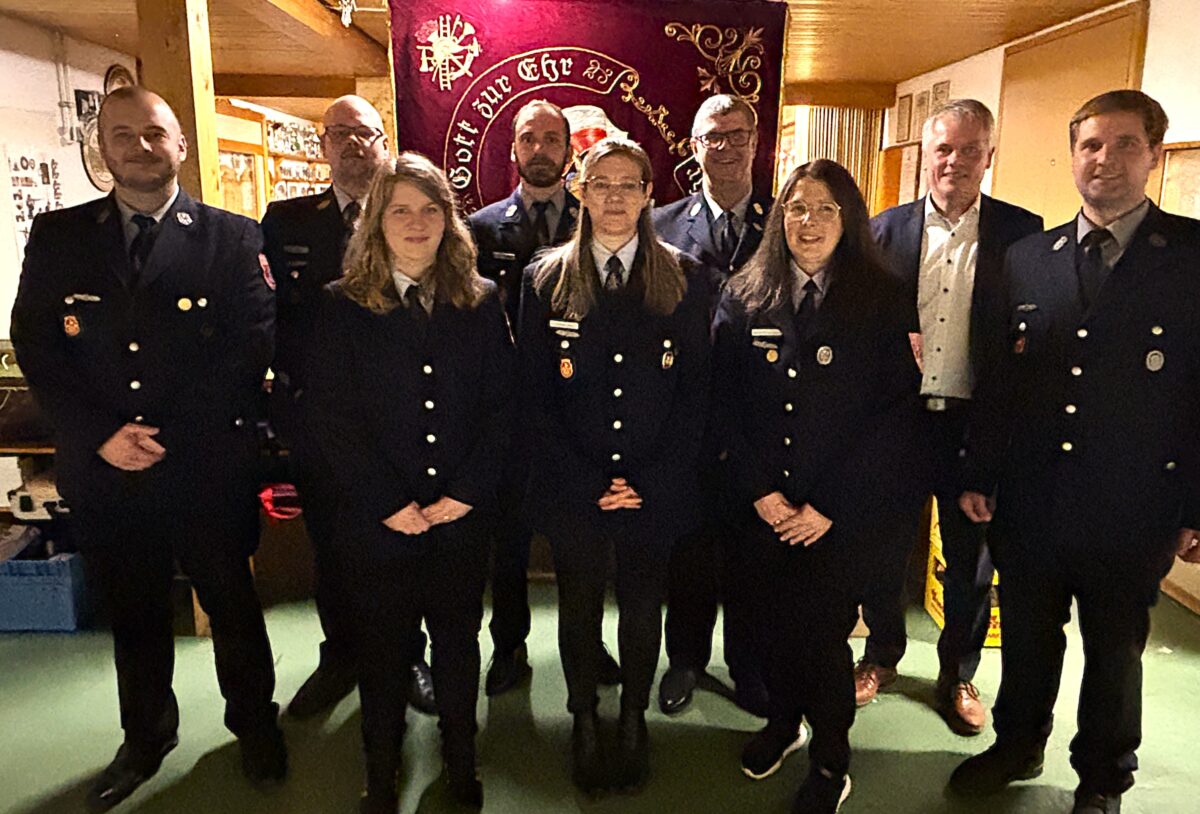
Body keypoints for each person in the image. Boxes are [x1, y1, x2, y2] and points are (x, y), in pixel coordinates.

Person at [10, 86, 285, 811]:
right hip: (106, 468)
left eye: (155, 133)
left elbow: (249, 347)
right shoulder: (60, 236)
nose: (140, 147)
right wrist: (102, 434)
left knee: (232, 605)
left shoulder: (232, 237)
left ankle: (255, 726)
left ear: (180, 144)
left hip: (205, 465)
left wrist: (166, 436)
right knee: (133, 613)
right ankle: (145, 738)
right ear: (103, 148)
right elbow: (39, 347)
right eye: (124, 135)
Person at [949, 90, 1200, 814]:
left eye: (1125, 144)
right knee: (1028, 637)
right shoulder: (1029, 257)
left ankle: (1102, 777)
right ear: (1072, 156)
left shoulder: (1190, 257)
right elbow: (998, 378)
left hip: (1135, 502)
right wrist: (978, 471)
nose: (1104, 160)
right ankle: (1017, 744)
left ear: (1154, 154)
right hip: (1033, 496)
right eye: (1091, 144)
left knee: (1115, 650)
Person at [305, 152, 513, 813]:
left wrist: (466, 492)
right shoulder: (340, 306)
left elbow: (502, 407)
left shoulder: (480, 301)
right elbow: (331, 419)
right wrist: (387, 502)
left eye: (430, 209)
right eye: (400, 210)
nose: (415, 223)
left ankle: (460, 759)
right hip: (377, 520)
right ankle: (381, 766)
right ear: (376, 221)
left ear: (449, 221)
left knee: (457, 646)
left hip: (457, 518)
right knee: (383, 652)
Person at [713, 160, 922, 813]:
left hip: (839, 515)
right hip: (762, 509)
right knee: (769, 627)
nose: (810, 222)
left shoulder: (884, 297)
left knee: (824, 639)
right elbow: (722, 404)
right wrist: (759, 492)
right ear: (780, 218)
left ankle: (832, 757)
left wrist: (827, 506)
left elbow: (895, 417)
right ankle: (783, 724)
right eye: (797, 208)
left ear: (848, 218)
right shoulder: (745, 292)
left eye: (826, 208)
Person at [518, 137, 710, 794]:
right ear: (581, 193)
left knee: (642, 606)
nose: (615, 197)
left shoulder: (685, 277)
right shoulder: (546, 278)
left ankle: (632, 717)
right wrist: (589, 482)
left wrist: (646, 481)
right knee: (577, 607)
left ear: (650, 195)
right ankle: (583, 716)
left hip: (653, 486)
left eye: (629, 184)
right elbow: (533, 395)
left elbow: (696, 394)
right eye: (601, 184)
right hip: (575, 485)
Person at [861, 99, 1043, 733]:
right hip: (900, 422)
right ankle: (880, 654)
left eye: (970, 150)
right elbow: (861, 325)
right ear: (925, 155)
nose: (955, 162)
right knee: (883, 549)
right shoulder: (884, 231)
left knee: (969, 562)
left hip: (975, 423)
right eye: (944, 149)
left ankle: (958, 673)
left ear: (989, 156)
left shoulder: (1023, 235)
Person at [261, 95, 435, 720]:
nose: (354, 144)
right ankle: (341, 656)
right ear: (323, 145)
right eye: (340, 134)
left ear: (385, 142)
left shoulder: (412, 218)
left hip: (400, 418)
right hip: (318, 418)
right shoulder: (285, 222)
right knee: (331, 543)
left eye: (365, 133)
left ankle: (409, 656)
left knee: (404, 539)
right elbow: (269, 318)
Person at [468, 99, 619, 696]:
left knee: (583, 538)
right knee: (506, 540)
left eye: (552, 139)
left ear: (569, 150)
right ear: (513, 149)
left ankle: (590, 643)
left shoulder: (595, 221)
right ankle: (509, 647)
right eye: (528, 139)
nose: (540, 150)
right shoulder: (481, 228)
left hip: (578, 410)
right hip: (505, 413)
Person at [652, 93, 774, 716]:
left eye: (736, 135)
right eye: (711, 137)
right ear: (693, 147)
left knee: (752, 553)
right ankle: (686, 660)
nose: (724, 147)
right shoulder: (660, 225)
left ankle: (748, 666)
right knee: (689, 552)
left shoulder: (784, 219)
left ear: (756, 141)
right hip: (687, 417)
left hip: (760, 418)